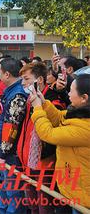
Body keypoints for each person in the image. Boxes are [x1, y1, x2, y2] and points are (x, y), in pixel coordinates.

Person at [29, 74, 90, 211]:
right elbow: (58, 118)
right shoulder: (78, 112)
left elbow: (48, 134)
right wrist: (44, 103)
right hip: (74, 188)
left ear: (84, 98)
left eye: (71, 90)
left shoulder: (85, 128)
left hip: (83, 198)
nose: (67, 93)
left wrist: (37, 109)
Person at [18, 62, 64, 214]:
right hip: (26, 160)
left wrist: (40, 105)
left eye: (26, 79)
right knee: (32, 204)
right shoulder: (29, 98)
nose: (23, 83)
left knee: (44, 205)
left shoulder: (52, 99)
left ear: (39, 80)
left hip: (44, 163)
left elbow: (51, 130)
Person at [0, 58, 28, 213]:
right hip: (5, 149)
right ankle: (2, 208)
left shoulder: (17, 95)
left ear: (7, 74)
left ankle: (13, 211)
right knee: (6, 182)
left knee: (13, 187)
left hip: (11, 151)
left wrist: (3, 153)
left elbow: (12, 128)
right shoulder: (10, 90)